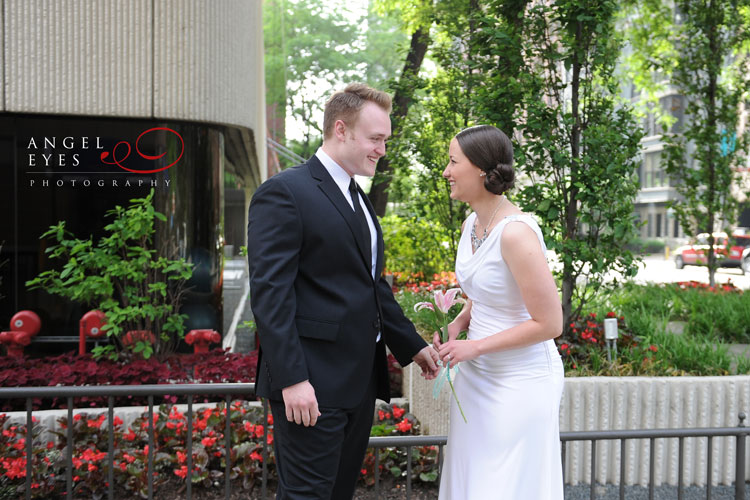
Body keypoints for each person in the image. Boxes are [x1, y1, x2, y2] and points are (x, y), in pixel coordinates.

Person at [246, 83, 439, 500]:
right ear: (341, 129)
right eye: (376, 139)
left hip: (357, 383)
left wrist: (412, 345)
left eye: (385, 140)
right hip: (310, 385)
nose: (382, 150)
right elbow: (270, 295)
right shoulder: (285, 192)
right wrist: (292, 379)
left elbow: (371, 285)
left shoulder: (357, 197)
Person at [435, 125, 564, 499]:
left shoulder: (516, 233)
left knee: (505, 486)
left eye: (453, 161)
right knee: (472, 480)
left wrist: (474, 348)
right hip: (477, 378)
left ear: (479, 169)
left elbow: (550, 323)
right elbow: (485, 293)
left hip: (521, 381)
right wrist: (459, 324)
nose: (446, 171)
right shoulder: (470, 225)